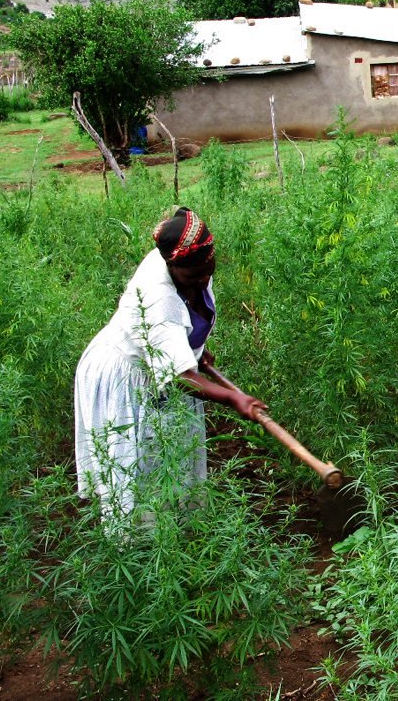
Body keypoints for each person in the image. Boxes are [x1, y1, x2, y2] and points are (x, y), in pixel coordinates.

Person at [74, 207, 264, 521]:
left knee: (173, 451)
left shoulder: (193, 262)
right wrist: (233, 397)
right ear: (172, 267)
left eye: (208, 269)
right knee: (140, 462)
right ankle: (141, 546)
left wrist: (194, 349)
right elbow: (178, 376)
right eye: (193, 276)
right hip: (126, 374)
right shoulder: (159, 297)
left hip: (162, 367)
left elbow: (187, 320)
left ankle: (176, 528)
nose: (203, 278)